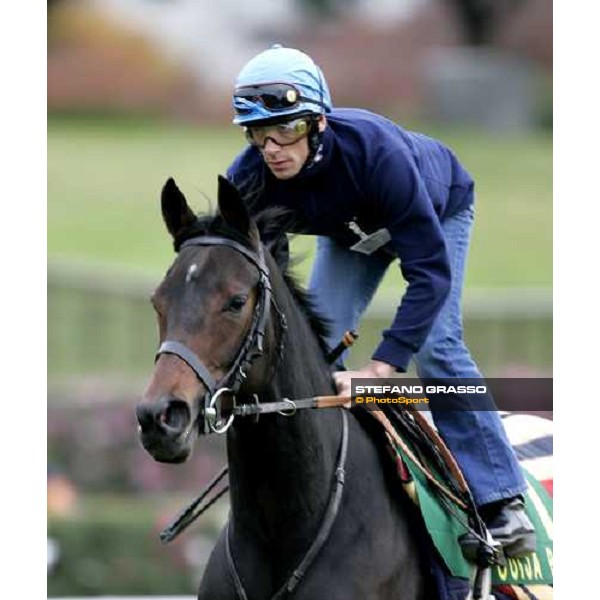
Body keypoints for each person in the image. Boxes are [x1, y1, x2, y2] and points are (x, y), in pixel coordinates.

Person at [226, 44, 535, 558]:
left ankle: (503, 504)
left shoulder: (378, 155)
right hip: (352, 235)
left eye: (289, 129)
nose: (273, 147)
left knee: (437, 346)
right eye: (258, 134)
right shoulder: (251, 179)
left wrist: (383, 365)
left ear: (319, 124)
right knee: (314, 346)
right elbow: (269, 282)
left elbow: (430, 275)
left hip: (438, 209)